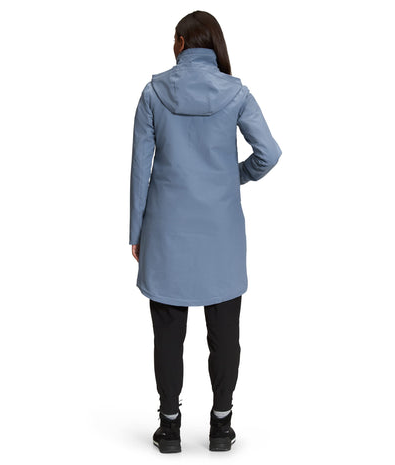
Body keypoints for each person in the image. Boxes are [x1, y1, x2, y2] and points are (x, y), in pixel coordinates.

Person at [129, 10, 282, 453]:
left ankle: (169, 428)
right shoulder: (236, 93)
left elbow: (140, 169)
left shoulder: (153, 92)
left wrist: (136, 231)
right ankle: (221, 426)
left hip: (166, 230)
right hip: (221, 234)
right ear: (213, 45)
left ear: (180, 43)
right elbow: (269, 153)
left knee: (167, 334)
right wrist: (235, 175)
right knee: (225, 334)